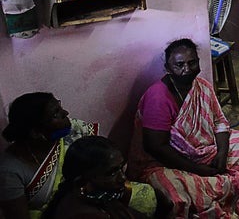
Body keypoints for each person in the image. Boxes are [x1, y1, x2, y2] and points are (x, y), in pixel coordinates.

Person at [127, 38, 239, 218]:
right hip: (162, 163)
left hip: (204, 151)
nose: (186, 69)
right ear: (169, 68)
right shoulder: (158, 97)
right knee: (175, 193)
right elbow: (156, 147)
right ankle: (225, 185)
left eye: (192, 63)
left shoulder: (202, 86)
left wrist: (221, 155)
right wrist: (196, 169)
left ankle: (220, 182)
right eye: (179, 65)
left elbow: (220, 122)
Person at [0, 93, 156, 219]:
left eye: (60, 107)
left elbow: (106, 163)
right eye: (56, 114)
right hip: (62, 209)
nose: (65, 113)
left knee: (148, 196)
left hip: (90, 194)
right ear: (36, 132)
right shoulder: (11, 171)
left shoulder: (73, 130)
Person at [42, 136, 144, 219]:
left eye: (121, 167)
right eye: (111, 173)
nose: (122, 177)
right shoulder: (85, 214)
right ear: (82, 182)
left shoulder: (101, 197)